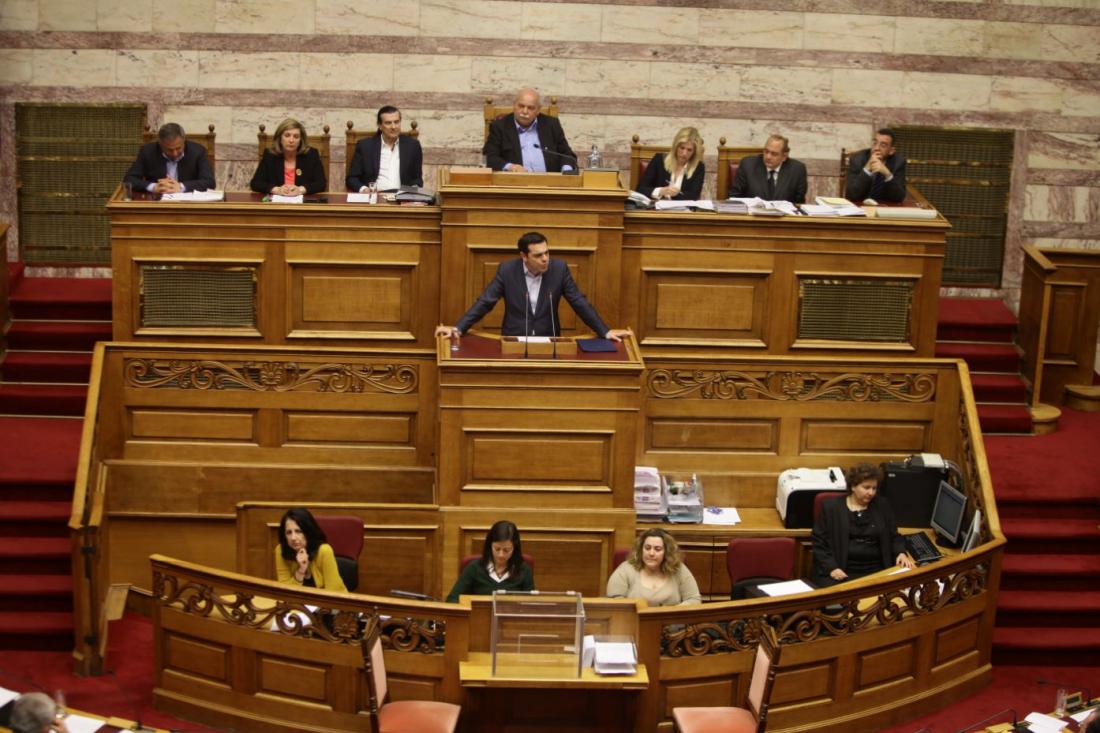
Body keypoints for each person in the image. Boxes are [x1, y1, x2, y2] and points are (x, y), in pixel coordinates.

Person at [434, 231, 631, 341]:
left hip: (549, 341)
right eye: (538, 255)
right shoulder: (507, 271)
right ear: (524, 256)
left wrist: (605, 331)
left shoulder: (559, 269)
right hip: (514, 340)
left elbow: (579, 302)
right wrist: (459, 328)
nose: (545, 259)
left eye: (547, 253)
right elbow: (485, 302)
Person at [812, 463, 914, 587]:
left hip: (877, 570)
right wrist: (832, 568)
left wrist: (900, 552)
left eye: (874, 488)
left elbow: (894, 536)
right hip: (842, 570)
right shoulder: (831, 508)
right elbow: (819, 543)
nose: (871, 492)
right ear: (853, 486)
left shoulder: (882, 505)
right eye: (866, 487)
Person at [483, 87, 576, 173]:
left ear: (538, 110)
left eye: (530, 108)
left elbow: (567, 155)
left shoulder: (551, 125)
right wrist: (511, 167)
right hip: (514, 182)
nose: (525, 111)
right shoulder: (499, 127)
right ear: (514, 105)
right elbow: (490, 158)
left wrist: (566, 171)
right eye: (521, 106)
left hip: (550, 182)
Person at [606, 528, 700, 606]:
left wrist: (672, 613)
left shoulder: (678, 569)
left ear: (667, 552)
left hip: (671, 622)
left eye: (657, 549)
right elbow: (614, 603)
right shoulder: (626, 569)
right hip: (634, 622)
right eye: (647, 548)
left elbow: (694, 600)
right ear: (641, 549)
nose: (651, 553)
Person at [446, 520, 534, 602]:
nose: (501, 555)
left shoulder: (524, 570)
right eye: (497, 549)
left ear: (515, 548)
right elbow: (452, 600)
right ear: (490, 546)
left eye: (506, 550)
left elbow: (532, 604)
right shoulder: (474, 568)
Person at [345, 105, 424, 192]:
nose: (393, 127)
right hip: (375, 195)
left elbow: (417, 179)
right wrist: (364, 189)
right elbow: (352, 178)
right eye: (388, 123)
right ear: (380, 125)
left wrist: (413, 192)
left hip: (402, 197)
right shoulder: (365, 146)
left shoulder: (413, 146)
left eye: (396, 122)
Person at [123, 122, 215, 194]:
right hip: (157, 203)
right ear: (160, 144)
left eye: (178, 148)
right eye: (169, 150)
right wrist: (154, 187)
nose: (175, 154)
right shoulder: (148, 151)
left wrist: (181, 186)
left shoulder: (198, 151)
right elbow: (129, 179)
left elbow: (209, 182)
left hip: (188, 203)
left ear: (184, 141)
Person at [274, 507, 347, 592]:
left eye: (298, 531)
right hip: (297, 600)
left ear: (308, 531)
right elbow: (285, 591)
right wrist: (300, 571)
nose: (293, 538)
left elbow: (333, 590)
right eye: (289, 532)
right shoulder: (281, 551)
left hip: (330, 599)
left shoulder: (324, 551)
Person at [250, 118, 327, 196]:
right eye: (287, 135)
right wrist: (277, 190)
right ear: (280, 138)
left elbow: (321, 183)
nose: (291, 140)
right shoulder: (270, 155)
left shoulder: (311, 155)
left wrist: (300, 190)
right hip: (277, 201)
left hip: (302, 202)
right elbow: (256, 183)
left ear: (300, 140)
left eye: (296, 136)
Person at [729, 134, 808, 204]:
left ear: (784, 157)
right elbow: (734, 197)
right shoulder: (748, 165)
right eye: (766, 151)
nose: (768, 157)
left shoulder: (797, 170)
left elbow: (799, 203)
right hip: (753, 215)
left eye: (774, 154)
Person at [636, 127, 706, 201]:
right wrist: (661, 191)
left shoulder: (698, 167)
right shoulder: (659, 160)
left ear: (694, 152)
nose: (684, 153)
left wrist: (675, 194)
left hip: (682, 208)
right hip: (656, 206)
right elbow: (640, 189)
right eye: (682, 148)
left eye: (689, 150)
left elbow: (694, 196)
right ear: (676, 146)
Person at [845, 127, 907, 203]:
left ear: (891, 151)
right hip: (861, 205)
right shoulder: (857, 159)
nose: (876, 148)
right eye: (875, 143)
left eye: (883, 145)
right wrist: (866, 169)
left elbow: (899, 198)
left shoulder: (898, 162)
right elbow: (851, 195)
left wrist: (887, 174)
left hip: (886, 207)